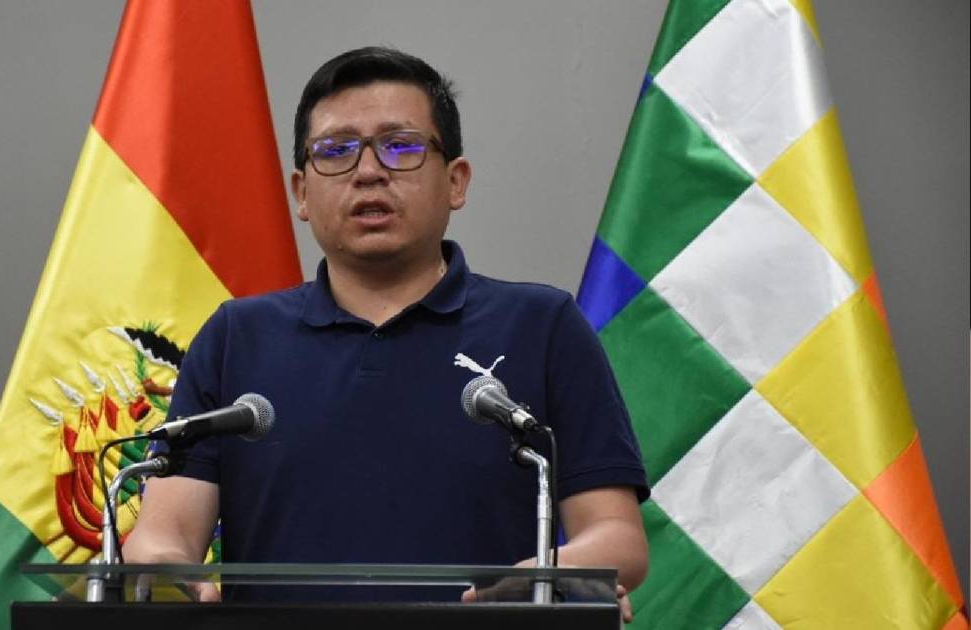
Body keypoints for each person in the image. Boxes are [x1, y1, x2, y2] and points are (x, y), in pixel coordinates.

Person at [123, 46, 649, 614]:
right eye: (336, 151)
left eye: (400, 147)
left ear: (456, 181)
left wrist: (546, 574)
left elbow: (617, 538)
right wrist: (167, 569)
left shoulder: (542, 326)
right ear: (302, 193)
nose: (369, 171)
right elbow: (164, 532)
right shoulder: (237, 338)